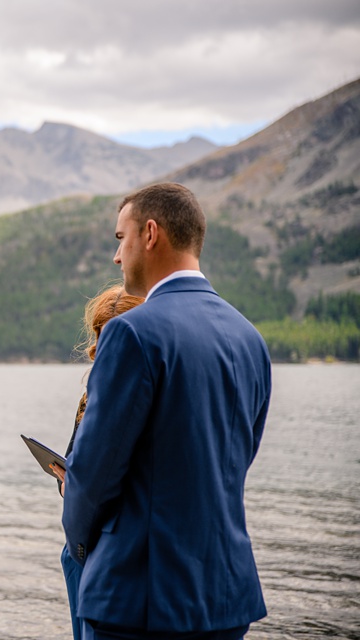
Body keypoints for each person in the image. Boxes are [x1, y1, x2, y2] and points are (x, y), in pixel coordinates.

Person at [61, 183, 272, 640]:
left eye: (121, 238)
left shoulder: (134, 333)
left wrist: (81, 551)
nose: (117, 257)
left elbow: (93, 477)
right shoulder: (249, 337)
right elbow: (236, 460)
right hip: (227, 597)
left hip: (142, 600)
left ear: (150, 234)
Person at [50, 284, 144, 640]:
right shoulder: (90, 395)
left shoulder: (145, 389)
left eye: (115, 334)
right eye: (101, 335)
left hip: (115, 549)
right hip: (79, 547)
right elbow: (78, 454)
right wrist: (66, 480)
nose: (106, 347)